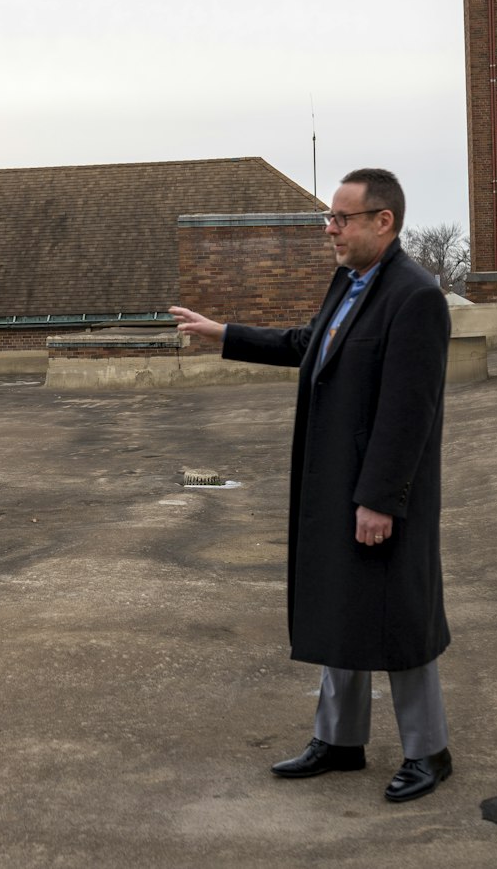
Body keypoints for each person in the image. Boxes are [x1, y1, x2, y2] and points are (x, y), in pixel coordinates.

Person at [168, 167, 453, 804]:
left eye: (342, 219)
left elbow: (410, 413)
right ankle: (341, 741)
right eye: (331, 218)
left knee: (399, 619)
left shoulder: (415, 296)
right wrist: (224, 334)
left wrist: (379, 498)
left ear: (384, 221)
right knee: (341, 607)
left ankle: (429, 751)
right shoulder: (350, 284)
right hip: (335, 487)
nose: (331, 229)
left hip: (381, 494)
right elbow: (308, 345)